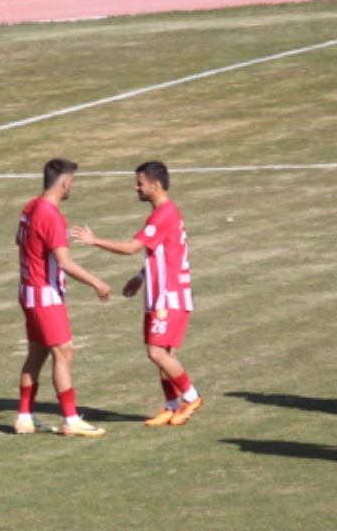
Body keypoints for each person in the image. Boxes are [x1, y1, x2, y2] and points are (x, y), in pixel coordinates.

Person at [71, 161, 201, 426]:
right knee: (164, 353)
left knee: (156, 352)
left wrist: (94, 240)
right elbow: (163, 253)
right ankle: (172, 405)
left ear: (155, 185)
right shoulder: (164, 213)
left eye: (140, 183)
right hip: (158, 294)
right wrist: (141, 277)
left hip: (169, 295)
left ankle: (192, 397)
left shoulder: (163, 214)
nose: (136, 187)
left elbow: (132, 247)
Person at [14, 158, 113, 437]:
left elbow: (19, 241)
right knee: (64, 351)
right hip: (45, 294)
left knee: (37, 353)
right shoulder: (51, 216)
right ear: (65, 182)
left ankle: (24, 417)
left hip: (28, 291)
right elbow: (65, 261)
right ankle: (71, 419)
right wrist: (97, 282)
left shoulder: (30, 207)